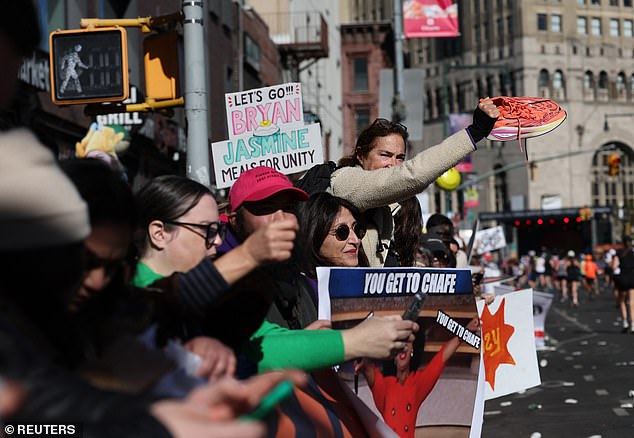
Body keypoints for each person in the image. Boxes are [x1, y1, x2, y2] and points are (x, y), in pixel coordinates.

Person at [0, 128, 305, 438]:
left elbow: (165, 303)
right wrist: (156, 424)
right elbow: (30, 426)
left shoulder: (112, 309)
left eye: (112, 266)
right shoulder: (13, 334)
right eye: (84, 262)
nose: (96, 281)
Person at [133, 174, 419, 375]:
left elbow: (261, 341)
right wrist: (354, 342)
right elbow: (249, 355)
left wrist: (321, 342)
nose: (217, 242)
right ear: (159, 233)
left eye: (216, 231)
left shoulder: (280, 280)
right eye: (205, 231)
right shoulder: (127, 297)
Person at [330, 100, 499, 267]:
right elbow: (413, 175)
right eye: (385, 155)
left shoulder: (394, 207)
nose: (393, 164)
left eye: (400, 158)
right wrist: (474, 133)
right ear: (360, 155)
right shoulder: (345, 182)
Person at [355, 318, 480, 438]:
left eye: (407, 343)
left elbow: (442, 356)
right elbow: (370, 372)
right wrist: (362, 365)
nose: (402, 348)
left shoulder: (418, 383)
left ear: (412, 349)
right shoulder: (385, 386)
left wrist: (466, 330)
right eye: (399, 344)